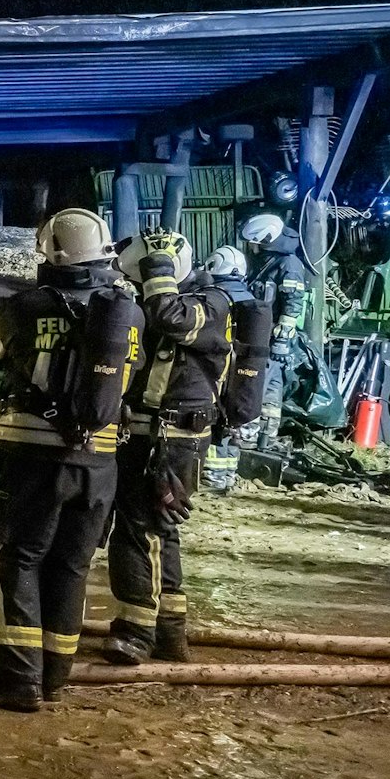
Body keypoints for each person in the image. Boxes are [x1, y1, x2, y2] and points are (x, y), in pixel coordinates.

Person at [0, 208, 145, 711]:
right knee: (71, 567)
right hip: (100, 464)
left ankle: (17, 679)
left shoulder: (28, 307)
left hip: (31, 460)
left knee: (15, 558)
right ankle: (55, 676)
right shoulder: (129, 314)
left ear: (52, 254)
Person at [104, 230, 232, 665]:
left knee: (142, 531)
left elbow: (171, 318)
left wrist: (155, 268)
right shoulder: (165, 301)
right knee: (154, 532)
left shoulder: (209, 304)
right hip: (149, 435)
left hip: (173, 441)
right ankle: (168, 632)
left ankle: (136, 633)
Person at [238, 213, 308, 449]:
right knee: (268, 386)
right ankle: (264, 437)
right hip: (262, 334)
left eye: (254, 243)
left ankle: (253, 437)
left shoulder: (288, 265)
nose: (251, 248)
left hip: (271, 338)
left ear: (266, 240)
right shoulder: (268, 261)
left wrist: (281, 342)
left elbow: (292, 305)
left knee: (260, 385)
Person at [201, 246, 257, 493]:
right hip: (244, 375)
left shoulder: (215, 298)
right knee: (232, 425)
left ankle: (213, 479)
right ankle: (228, 476)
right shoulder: (250, 299)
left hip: (219, 371)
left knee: (216, 424)